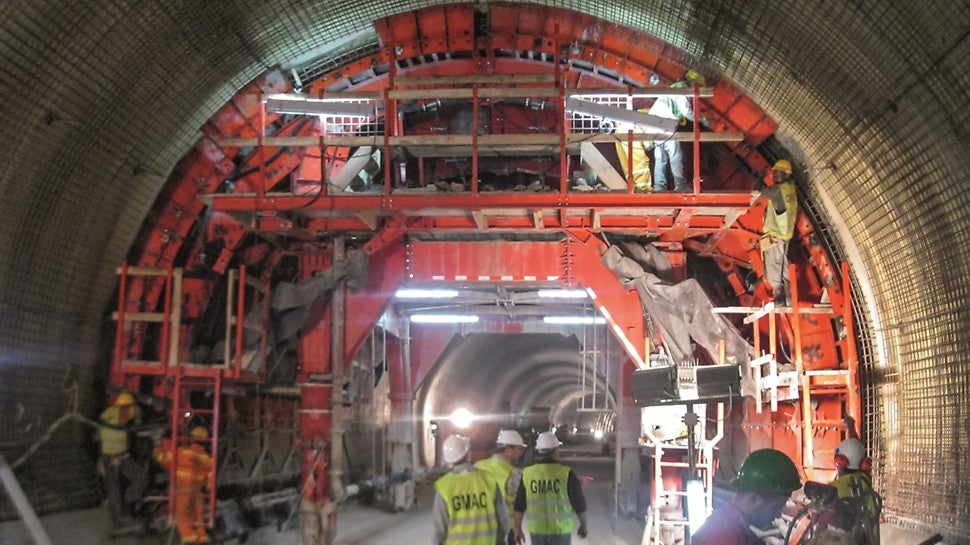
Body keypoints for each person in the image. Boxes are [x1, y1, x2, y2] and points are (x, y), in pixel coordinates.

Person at [692, 448, 802, 545]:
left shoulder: (734, 526)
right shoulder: (726, 536)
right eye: (775, 507)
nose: (778, 515)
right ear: (754, 499)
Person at [433, 434, 509, 545]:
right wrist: (501, 541)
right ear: (467, 454)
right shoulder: (488, 479)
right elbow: (502, 518)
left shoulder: (444, 486)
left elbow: (440, 530)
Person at [514, 431, 588, 545]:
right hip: (560, 531)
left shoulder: (527, 474)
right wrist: (583, 526)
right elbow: (580, 505)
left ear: (539, 451)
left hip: (537, 531)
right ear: (556, 451)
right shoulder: (566, 473)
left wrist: (517, 528)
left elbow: (519, 505)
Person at [96, 389, 147, 533]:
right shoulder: (123, 413)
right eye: (132, 406)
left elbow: (98, 435)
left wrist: (100, 459)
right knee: (136, 479)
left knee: (115, 488)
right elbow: (135, 418)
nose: (134, 410)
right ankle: (124, 511)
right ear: (128, 405)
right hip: (115, 457)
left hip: (113, 456)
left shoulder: (108, 413)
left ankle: (121, 515)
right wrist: (138, 419)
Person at [153, 426, 215, 543]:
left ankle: (189, 539)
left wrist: (157, 450)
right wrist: (207, 487)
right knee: (197, 516)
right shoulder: (207, 458)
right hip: (197, 491)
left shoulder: (183, 451)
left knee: (181, 516)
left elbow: (165, 459)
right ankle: (202, 537)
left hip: (184, 488)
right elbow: (210, 478)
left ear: (191, 438)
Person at [476, 429, 527, 545]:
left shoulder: (478, 466)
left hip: (481, 528)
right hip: (505, 530)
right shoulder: (515, 474)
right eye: (519, 449)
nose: (521, 453)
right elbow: (523, 502)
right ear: (508, 450)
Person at [758, 159, 798, 306]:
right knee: (784, 267)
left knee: (773, 266)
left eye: (779, 173)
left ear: (787, 174)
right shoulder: (790, 189)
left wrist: (759, 176)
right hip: (786, 235)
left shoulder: (777, 190)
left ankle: (779, 296)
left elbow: (759, 191)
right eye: (774, 173)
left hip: (775, 235)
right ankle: (789, 299)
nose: (775, 176)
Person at [648, 74, 694, 192]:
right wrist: (700, 119)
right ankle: (680, 184)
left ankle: (659, 186)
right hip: (665, 123)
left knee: (660, 157)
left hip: (654, 124)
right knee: (675, 154)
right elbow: (686, 110)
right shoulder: (682, 89)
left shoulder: (672, 89)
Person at [830, 438, 880, 545]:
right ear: (863, 463)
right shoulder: (864, 480)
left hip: (845, 539)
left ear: (838, 461)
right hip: (868, 538)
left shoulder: (836, 486)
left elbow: (824, 517)